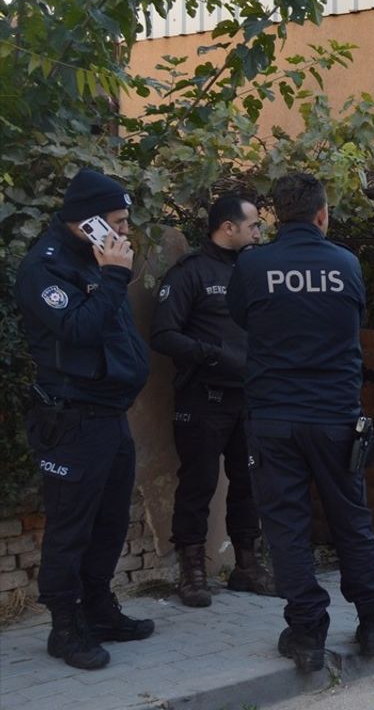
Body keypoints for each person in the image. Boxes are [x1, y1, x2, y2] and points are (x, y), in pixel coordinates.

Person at [226, 172, 374, 672]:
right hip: (336, 416)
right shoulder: (346, 264)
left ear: (278, 215)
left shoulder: (253, 265)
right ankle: (373, 620)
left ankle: (306, 634)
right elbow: (352, 318)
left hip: (274, 417)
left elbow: (242, 318)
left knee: (287, 527)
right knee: (351, 519)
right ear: (322, 215)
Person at [15, 168, 155, 670]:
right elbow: (77, 330)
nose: (124, 231)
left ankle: (98, 608)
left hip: (110, 414)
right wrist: (114, 275)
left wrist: (110, 274)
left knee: (111, 521)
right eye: (116, 221)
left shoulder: (94, 258)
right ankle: (65, 627)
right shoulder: (45, 267)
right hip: (72, 419)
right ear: (88, 220)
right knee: (71, 527)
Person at [151, 194, 273, 608]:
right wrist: (212, 354)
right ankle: (192, 573)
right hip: (204, 398)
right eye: (253, 225)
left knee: (250, 484)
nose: (258, 233)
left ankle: (247, 566)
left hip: (250, 397)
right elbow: (163, 335)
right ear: (228, 227)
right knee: (198, 485)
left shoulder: (253, 270)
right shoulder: (191, 272)